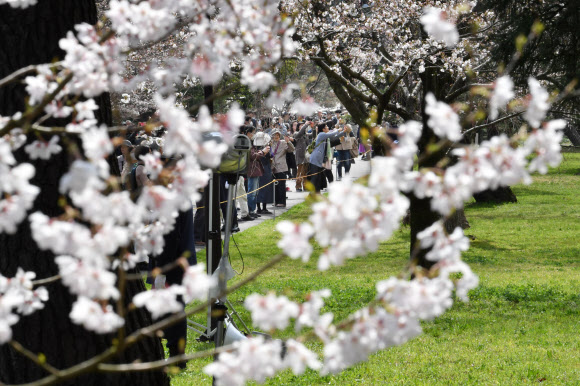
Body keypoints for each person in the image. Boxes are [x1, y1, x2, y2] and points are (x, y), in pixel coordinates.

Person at [307, 123, 350, 192]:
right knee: (315, 177)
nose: (327, 127)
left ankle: (317, 192)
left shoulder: (325, 136)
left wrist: (343, 132)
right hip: (315, 159)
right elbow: (331, 134)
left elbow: (335, 137)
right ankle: (312, 193)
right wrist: (338, 130)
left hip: (319, 159)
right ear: (323, 129)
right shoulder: (321, 134)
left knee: (318, 177)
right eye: (326, 126)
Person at [246, 126, 270, 218]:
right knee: (251, 192)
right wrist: (262, 152)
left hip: (256, 170)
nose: (254, 135)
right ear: (248, 133)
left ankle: (253, 210)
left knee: (255, 192)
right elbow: (252, 156)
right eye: (253, 133)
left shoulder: (253, 143)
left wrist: (262, 151)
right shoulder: (248, 143)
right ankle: (251, 210)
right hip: (252, 170)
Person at [270, 129, 295, 207]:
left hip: (282, 167)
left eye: (277, 135)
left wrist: (288, 142)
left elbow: (292, 149)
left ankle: (282, 202)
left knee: (281, 185)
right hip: (273, 167)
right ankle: (276, 201)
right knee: (275, 185)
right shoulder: (270, 144)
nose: (276, 136)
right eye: (274, 135)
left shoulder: (283, 143)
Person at [254, 132, 274, 214]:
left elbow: (271, 155)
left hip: (261, 169)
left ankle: (260, 208)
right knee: (264, 189)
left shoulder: (255, 148)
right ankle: (262, 208)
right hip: (264, 169)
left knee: (260, 188)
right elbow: (271, 155)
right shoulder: (263, 148)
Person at [293, 120, 313, 192]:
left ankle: (305, 186)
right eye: (300, 125)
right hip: (300, 155)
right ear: (298, 127)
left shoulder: (306, 135)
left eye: (303, 125)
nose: (302, 126)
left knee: (305, 172)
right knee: (299, 172)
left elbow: (312, 135)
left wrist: (314, 128)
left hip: (306, 156)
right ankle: (298, 186)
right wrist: (305, 125)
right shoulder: (296, 134)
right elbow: (300, 133)